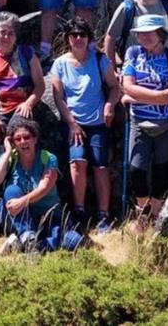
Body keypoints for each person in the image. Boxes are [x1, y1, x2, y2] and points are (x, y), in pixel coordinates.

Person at [50, 17, 121, 234]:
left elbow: (114, 87)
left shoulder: (100, 60)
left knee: (100, 167)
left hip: (99, 123)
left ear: (89, 38)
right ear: (68, 38)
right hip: (74, 123)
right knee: (77, 163)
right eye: (74, 35)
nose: (79, 38)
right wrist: (71, 123)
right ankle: (79, 211)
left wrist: (110, 105)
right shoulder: (60, 64)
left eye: (83, 34)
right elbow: (58, 97)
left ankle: (103, 215)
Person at [121, 14, 168, 228]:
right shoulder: (132, 53)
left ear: (161, 34)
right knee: (136, 169)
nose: (144, 37)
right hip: (139, 120)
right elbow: (127, 87)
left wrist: (137, 95)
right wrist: (160, 96)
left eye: (149, 32)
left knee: (162, 168)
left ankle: (155, 213)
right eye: (140, 33)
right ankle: (142, 209)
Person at [0, 117, 77, 254]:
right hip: (19, 217)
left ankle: (27, 246)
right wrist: (7, 152)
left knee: (73, 241)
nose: (23, 141)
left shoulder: (48, 158)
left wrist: (22, 202)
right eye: (18, 139)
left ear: (35, 139)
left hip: (48, 216)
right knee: (11, 190)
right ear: (13, 142)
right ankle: (28, 238)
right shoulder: (12, 157)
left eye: (26, 137)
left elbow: (44, 188)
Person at [0, 11, 46, 148]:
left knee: (17, 135)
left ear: (16, 37)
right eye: (2, 32)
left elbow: (40, 85)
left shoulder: (27, 53)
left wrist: (28, 104)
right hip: (0, 111)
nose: (6, 37)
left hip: (23, 108)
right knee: (3, 148)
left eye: (11, 33)